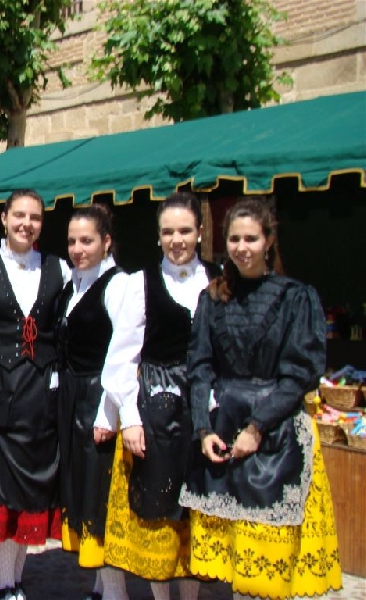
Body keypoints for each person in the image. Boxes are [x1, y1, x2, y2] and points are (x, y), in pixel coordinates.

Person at [179, 198, 342, 599]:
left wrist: (257, 428)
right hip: (222, 429)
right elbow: (199, 368)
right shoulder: (211, 298)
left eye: (251, 238)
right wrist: (202, 428)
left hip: (277, 431)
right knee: (233, 567)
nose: (242, 247)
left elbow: (301, 371)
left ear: (269, 240)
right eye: (234, 238)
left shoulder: (296, 297)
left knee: (267, 565)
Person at [102, 193, 219, 600]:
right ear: (158, 237)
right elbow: (121, 356)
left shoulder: (219, 281)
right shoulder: (141, 283)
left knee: (195, 514)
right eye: (168, 232)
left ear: (200, 232)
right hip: (157, 405)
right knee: (159, 509)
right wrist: (130, 418)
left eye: (185, 230)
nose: (177, 239)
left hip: (207, 408)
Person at [0, 189, 70, 600]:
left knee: (32, 487)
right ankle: (4, 580)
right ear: (4, 219)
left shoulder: (58, 267)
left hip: (41, 391)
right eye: (19, 215)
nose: (27, 223)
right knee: (2, 486)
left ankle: (15, 577)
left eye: (35, 217)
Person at [55, 204, 140, 600]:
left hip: (99, 399)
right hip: (73, 398)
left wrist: (112, 410)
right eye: (72, 241)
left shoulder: (119, 285)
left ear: (106, 241)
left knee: (100, 493)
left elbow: (125, 352)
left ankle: (115, 592)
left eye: (87, 240)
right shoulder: (73, 286)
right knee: (83, 490)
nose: (77, 248)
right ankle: (100, 584)